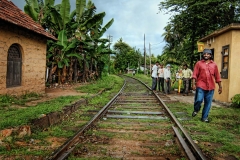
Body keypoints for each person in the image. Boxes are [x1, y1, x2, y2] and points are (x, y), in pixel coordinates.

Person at [192, 49, 222, 123]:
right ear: (203, 55)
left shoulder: (214, 65)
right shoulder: (199, 63)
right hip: (200, 85)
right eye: (205, 54)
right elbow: (195, 74)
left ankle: (204, 117)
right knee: (199, 100)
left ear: (210, 55)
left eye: (208, 54)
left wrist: (220, 87)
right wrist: (193, 83)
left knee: (208, 103)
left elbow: (217, 77)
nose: (206, 55)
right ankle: (196, 109)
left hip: (211, 87)